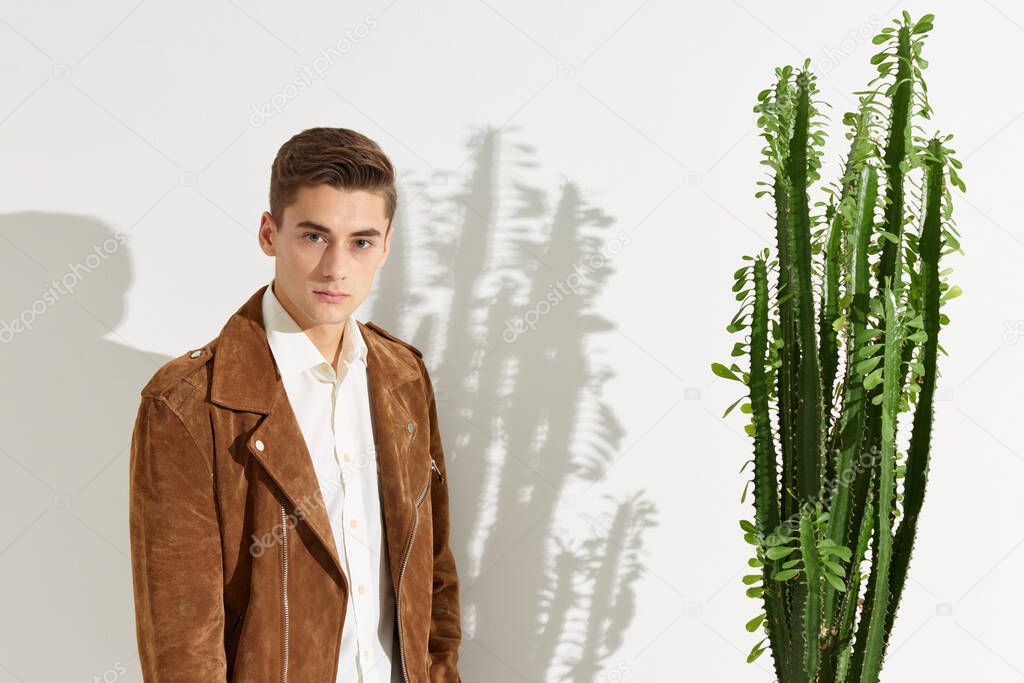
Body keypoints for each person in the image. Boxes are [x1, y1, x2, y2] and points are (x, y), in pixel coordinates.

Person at [128, 127, 462, 682]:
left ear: (385, 246)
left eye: (361, 241)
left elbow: (434, 573)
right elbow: (181, 639)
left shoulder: (403, 376)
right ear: (269, 233)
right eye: (313, 236)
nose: (336, 267)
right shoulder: (187, 405)